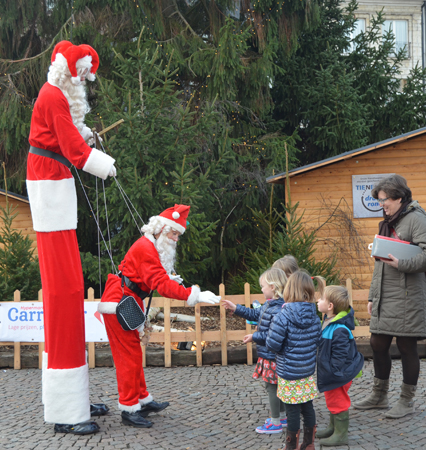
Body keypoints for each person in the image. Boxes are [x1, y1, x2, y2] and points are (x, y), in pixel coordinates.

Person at [26, 41, 116, 434]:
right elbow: (72, 149)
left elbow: (69, 135)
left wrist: (86, 138)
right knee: (64, 292)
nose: (83, 82)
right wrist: (105, 165)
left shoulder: (56, 94)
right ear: (68, 71)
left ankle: (68, 397)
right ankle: (66, 411)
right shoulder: (53, 97)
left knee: (67, 290)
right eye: (80, 76)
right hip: (50, 184)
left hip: (54, 183)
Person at [98, 204, 221, 428]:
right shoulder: (146, 248)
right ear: (162, 229)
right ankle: (128, 408)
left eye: (177, 234)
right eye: (174, 233)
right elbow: (161, 285)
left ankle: (142, 400)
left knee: (133, 353)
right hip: (119, 304)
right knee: (128, 357)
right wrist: (193, 294)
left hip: (127, 301)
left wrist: (169, 279)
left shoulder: (150, 245)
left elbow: (152, 275)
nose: (176, 238)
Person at [354, 174, 426, 418]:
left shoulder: (417, 219)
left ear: (399, 197)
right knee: (377, 342)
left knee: (406, 345)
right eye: (379, 201)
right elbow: (380, 265)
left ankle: (407, 401)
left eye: (384, 200)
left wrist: (401, 262)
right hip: (386, 293)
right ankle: (379, 395)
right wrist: (373, 296)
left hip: (408, 295)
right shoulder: (386, 222)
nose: (381, 205)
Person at [222, 267, 288, 434]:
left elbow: (273, 334)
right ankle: (282, 416)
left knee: (271, 386)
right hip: (269, 353)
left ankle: (275, 422)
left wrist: (255, 336)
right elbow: (253, 314)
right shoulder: (269, 305)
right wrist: (235, 307)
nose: (261, 289)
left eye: (263, 286)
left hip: (272, 355)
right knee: (275, 385)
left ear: (273, 287)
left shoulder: (278, 309)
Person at [266, 271, 323, 450]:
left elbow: (272, 344)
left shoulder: (282, 316)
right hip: (306, 371)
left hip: (289, 373)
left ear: (288, 291)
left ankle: (291, 447)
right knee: (308, 408)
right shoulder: (314, 316)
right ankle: (309, 444)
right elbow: (318, 340)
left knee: (292, 411)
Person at [316, 285, 364, 446]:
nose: (317, 300)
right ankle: (333, 427)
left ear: (330, 306)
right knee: (332, 399)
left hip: (337, 373)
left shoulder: (339, 329)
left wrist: (333, 371)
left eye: (321, 298)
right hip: (332, 371)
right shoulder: (329, 321)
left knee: (338, 400)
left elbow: (340, 355)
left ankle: (341, 435)